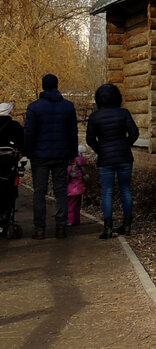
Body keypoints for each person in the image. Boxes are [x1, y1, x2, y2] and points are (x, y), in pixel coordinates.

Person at [23, 74, 78, 239]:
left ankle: (40, 229)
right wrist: (73, 153)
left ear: (43, 86)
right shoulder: (68, 106)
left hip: (40, 155)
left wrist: (27, 152)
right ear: (57, 85)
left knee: (39, 192)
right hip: (61, 154)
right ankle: (61, 226)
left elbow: (29, 132)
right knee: (61, 191)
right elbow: (72, 132)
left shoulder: (34, 107)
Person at [85, 83, 139, 239]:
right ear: (117, 97)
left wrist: (100, 149)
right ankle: (127, 225)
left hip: (105, 159)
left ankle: (108, 228)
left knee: (107, 192)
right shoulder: (124, 113)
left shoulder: (95, 116)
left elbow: (90, 139)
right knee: (125, 191)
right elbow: (134, 133)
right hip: (124, 157)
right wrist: (125, 145)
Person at [66, 146, 88, 226]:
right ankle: (76, 219)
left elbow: (67, 177)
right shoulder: (81, 167)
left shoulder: (70, 167)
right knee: (77, 205)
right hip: (80, 188)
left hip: (71, 189)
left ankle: (70, 220)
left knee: (70, 206)